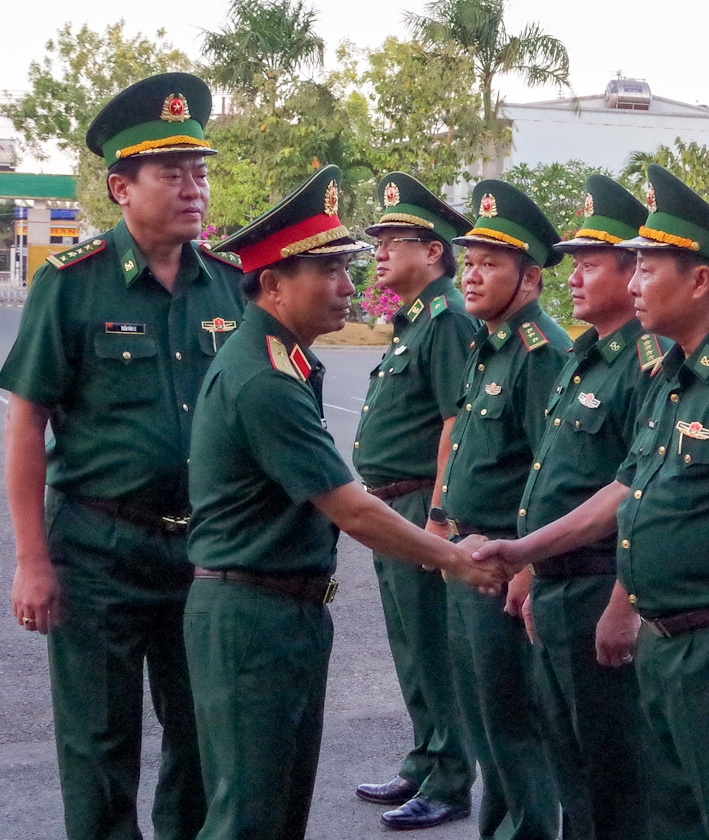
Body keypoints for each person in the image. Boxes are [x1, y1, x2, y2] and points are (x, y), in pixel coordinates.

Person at [475, 163, 709, 840]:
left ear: (700, 279)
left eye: (648, 269)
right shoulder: (675, 372)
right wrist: (525, 551)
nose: (634, 284)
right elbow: (624, 494)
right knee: (665, 820)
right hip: (664, 645)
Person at [184, 164, 505, 840]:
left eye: (348, 265)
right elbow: (351, 509)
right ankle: (436, 763)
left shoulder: (287, 362)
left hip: (279, 607)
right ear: (272, 284)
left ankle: (440, 767)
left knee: (273, 809)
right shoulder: (264, 380)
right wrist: (456, 558)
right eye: (328, 270)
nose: (348, 281)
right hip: (254, 618)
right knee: (248, 815)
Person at [0, 72, 241, 840]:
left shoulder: (233, 287)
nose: (193, 188)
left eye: (200, 171)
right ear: (120, 187)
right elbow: (27, 422)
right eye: (172, 174)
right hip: (97, 551)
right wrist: (32, 559)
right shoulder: (70, 286)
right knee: (100, 745)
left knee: (201, 737)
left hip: (201, 551)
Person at [517, 174, 669, 840]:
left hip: (598, 587)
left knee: (614, 779)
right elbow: (554, 477)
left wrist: (622, 601)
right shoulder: (584, 358)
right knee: (569, 769)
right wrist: (530, 570)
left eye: (589, 263)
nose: (572, 278)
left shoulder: (648, 362)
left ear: (635, 269)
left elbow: (642, 492)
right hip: (556, 587)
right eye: (572, 263)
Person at [437, 179, 572, 839]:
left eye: (491, 263)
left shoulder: (541, 354)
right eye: (469, 262)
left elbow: (552, 470)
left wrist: (529, 565)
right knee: (486, 725)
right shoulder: (488, 344)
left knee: (516, 727)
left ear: (530, 277)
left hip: (504, 566)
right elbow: (464, 440)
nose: (472, 275)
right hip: (470, 558)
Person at [350, 173, 479, 830]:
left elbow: (456, 422)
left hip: (416, 509)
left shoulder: (448, 319)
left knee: (433, 643)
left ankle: (451, 776)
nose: (378, 251)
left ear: (432, 250)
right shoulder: (414, 320)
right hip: (389, 507)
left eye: (393, 240)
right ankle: (424, 757)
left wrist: (437, 515)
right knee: (408, 641)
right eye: (378, 240)